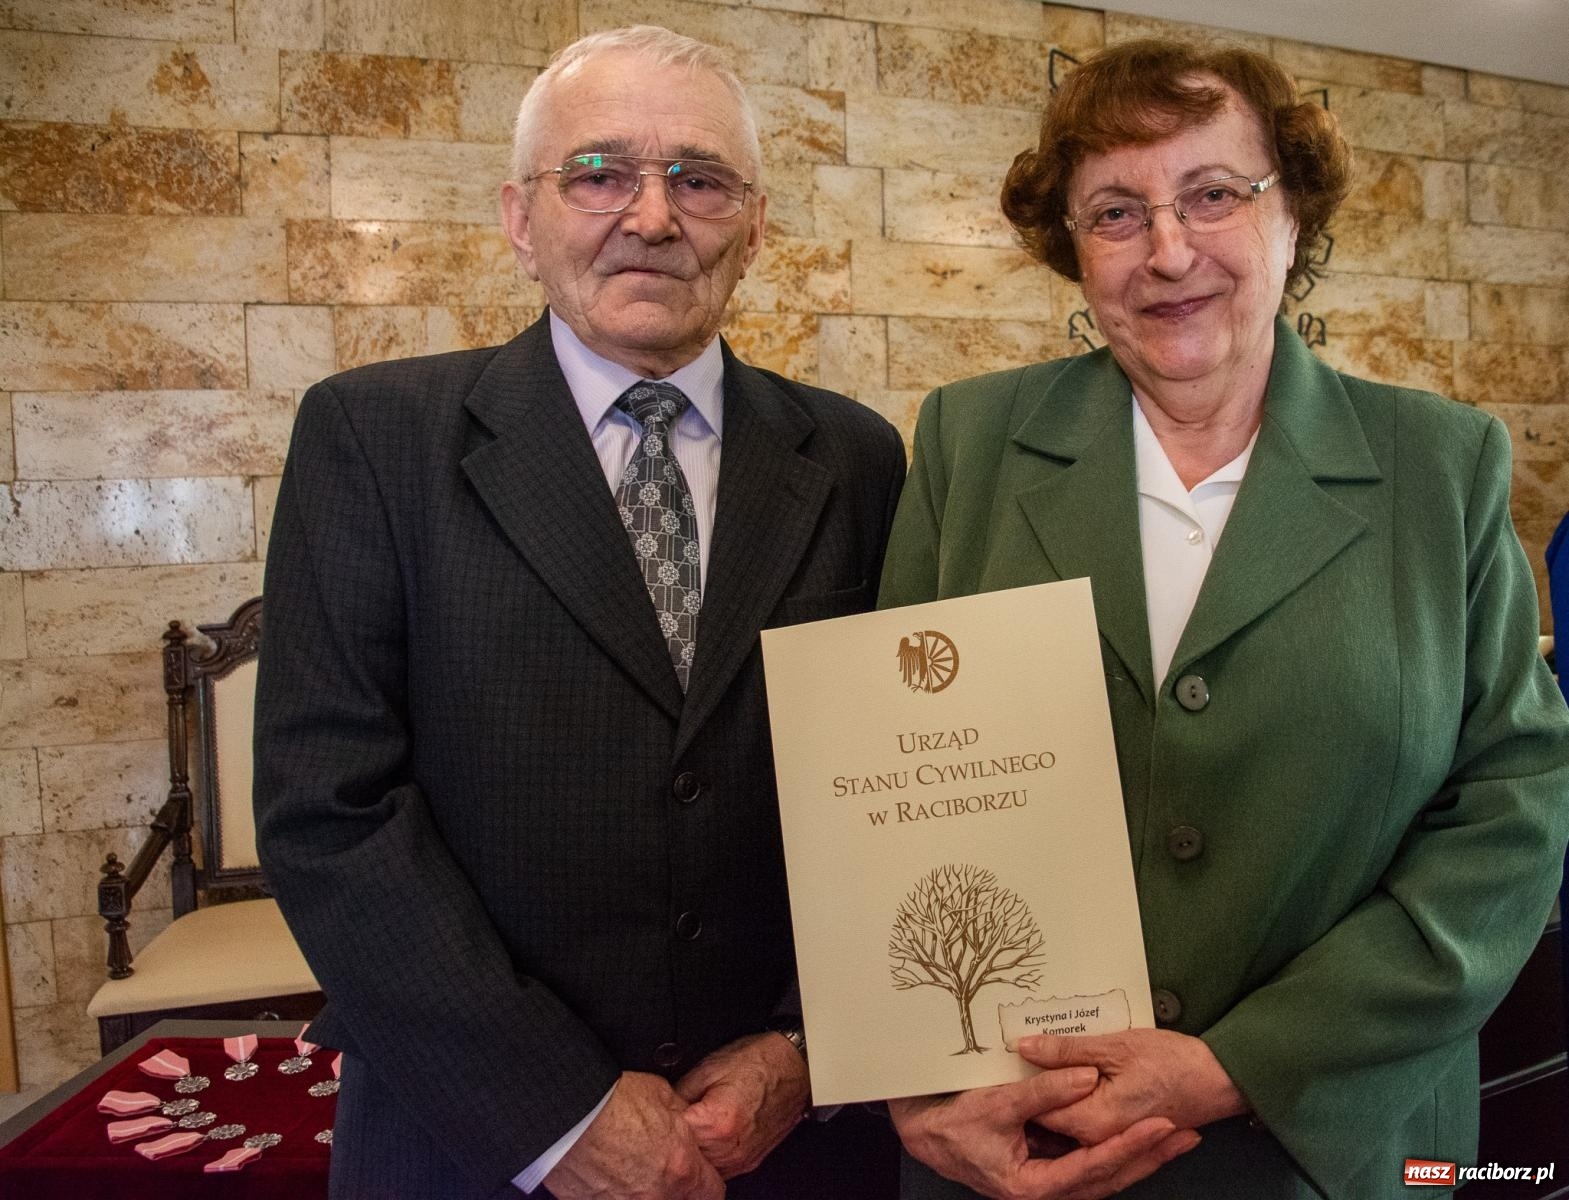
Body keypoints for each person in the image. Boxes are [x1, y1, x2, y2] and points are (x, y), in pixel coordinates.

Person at [877, 37, 1569, 1200]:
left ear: (1293, 213)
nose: (1169, 250)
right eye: (1114, 212)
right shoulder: (968, 444)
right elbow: (889, 781)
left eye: (1213, 194)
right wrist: (913, 1070)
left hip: (1340, 1151)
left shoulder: (1440, 465)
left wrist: (1232, 1064)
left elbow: (1513, 808)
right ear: (1072, 252)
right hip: (1020, 1147)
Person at [254, 25, 905, 1200]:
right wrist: (555, 1112)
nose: (652, 216)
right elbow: (329, 810)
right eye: (599, 173)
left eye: (699, 179)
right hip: (471, 1144)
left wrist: (808, 1049)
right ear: (520, 217)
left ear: (753, 226)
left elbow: (903, 794)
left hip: (785, 1151)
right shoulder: (373, 438)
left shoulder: (858, 460)